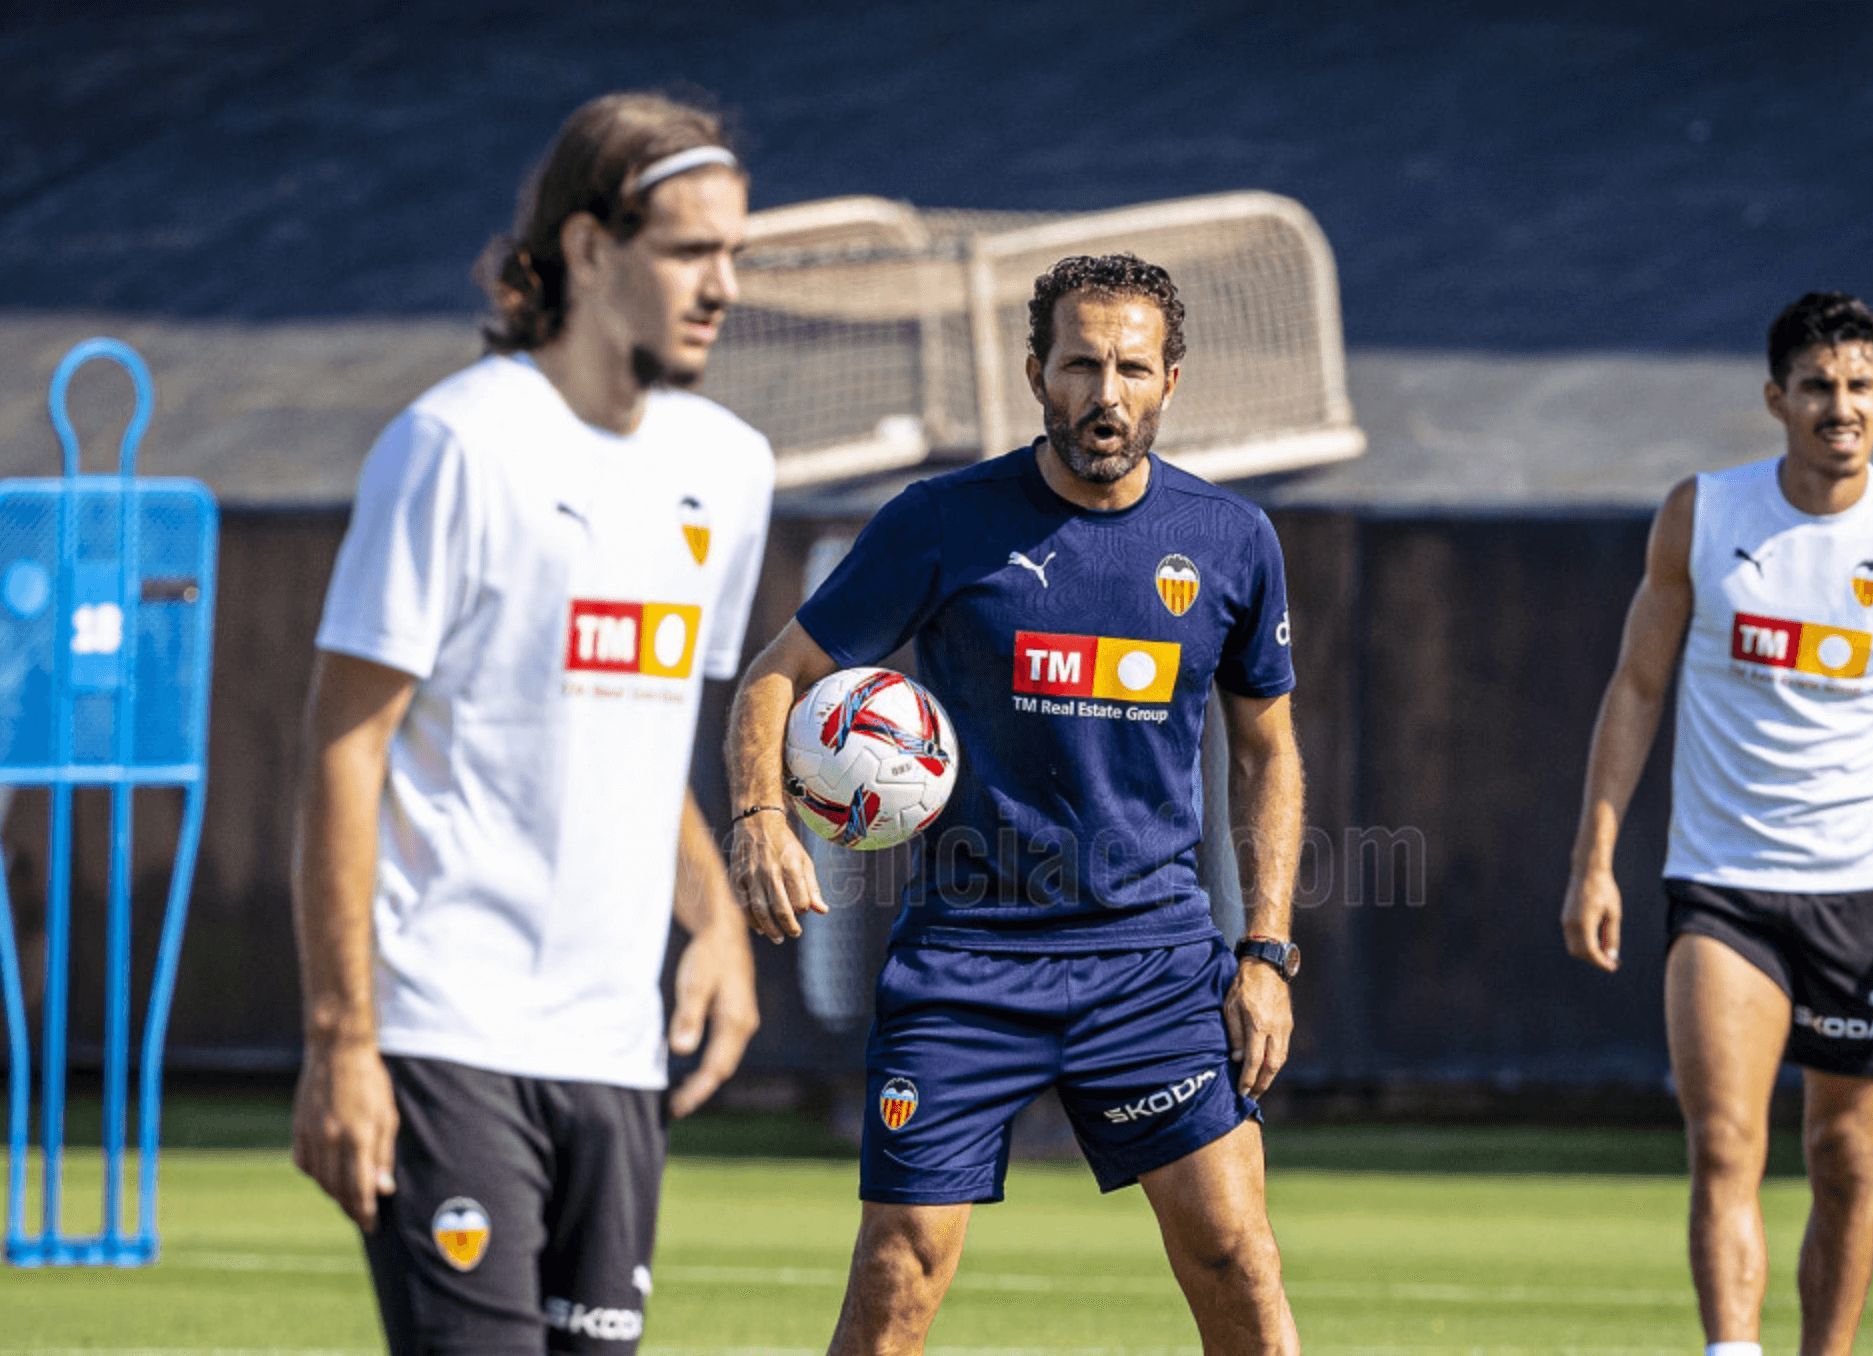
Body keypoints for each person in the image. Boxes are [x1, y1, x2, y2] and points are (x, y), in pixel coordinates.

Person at [726, 253, 1307, 1354]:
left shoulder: (1232, 540)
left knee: (1237, 1257)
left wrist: (1266, 954)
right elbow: (775, 676)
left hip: (1151, 962)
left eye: (1131, 368)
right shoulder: (941, 521)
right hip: (966, 960)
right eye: (1079, 365)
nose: (1105, 394)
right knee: (897, 1270)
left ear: (1171, 382)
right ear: (1036, 375)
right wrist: (762, 820)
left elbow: (1267, 755)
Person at [291, 91, 771, 1354]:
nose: (721, 286)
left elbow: (634, 744)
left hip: (616, 1051)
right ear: (588, 248)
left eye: (733, 252)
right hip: (444, 1030)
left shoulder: (729, 468)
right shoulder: (452, 445)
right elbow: (344, 749)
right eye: (689, 251)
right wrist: (342, 1041)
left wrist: (714, 922)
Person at [1561, 292, 1873, 1356]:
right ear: (1775, 398)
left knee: (1844, 1157)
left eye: (1858, 385)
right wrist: (1595, 859)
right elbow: (1635, 688)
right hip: (1721, 885)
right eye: (1816, 386)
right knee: (1725, 1142)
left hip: (1864, 892)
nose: (1839, 406)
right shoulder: (1701, 516)